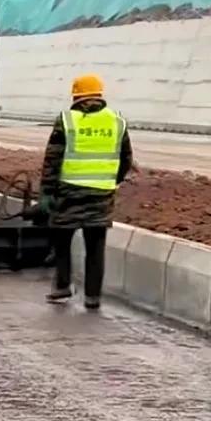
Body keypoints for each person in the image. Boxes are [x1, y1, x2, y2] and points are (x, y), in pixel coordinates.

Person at [41, 73, 133, 310]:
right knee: (95, 246)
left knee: (62, 240)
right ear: (100, 94)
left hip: (69, 193)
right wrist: (112, 181)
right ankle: (93, 297)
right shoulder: (117, 120)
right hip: (102, 194)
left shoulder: (67, 120)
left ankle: (62, 287)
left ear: (76, 95)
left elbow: (53, 159)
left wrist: (47, 192)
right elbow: (126, 159)